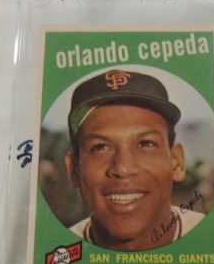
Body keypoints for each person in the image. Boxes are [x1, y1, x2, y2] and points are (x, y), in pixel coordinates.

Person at [64, 69, 204, 251]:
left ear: (176, 162)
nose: (123, 168)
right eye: (100, 147)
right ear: (74, 170)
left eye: (145, 144)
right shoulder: (58, 250)